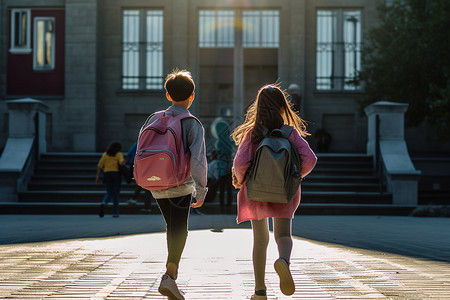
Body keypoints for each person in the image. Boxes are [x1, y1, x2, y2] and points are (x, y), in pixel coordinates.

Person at [231, 84, 317, 300]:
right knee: (283, 235)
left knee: (260, 241)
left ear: (258, 108)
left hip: (256, 192)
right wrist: (295, 177)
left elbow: (241, 163)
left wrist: (239, 180)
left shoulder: (253, 133)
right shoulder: (290, 133)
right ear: (282, 108)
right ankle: (283, 261)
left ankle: (260, 291)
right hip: (284, 191)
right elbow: (310, 159)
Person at [145, 69, 207, 300]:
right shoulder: (192, 124)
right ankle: (169, 277)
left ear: (168, 96)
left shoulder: (154, 118)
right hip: (181, 184)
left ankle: (171, 276)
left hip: (156, 185)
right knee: (180, 228)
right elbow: (199, 160)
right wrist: (201, 190)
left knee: (172, 226)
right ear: (192, 96)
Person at [211, 119, 235, 213]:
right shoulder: (230, 142)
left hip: (221, 169)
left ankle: (222, 207)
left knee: (222, 189)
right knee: (229, 189)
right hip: (229, 168)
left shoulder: (218, 143)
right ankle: (228, 207)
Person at [96, 141, 125, 218]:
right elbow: (122, 162)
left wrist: (97, 176)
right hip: (116, 174)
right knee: (115, 193)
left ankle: (104, 202)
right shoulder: (118, 154)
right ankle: (115, 212)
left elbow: (99, 166)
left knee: (109, 191)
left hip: (107, 174)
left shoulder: (105, 155)